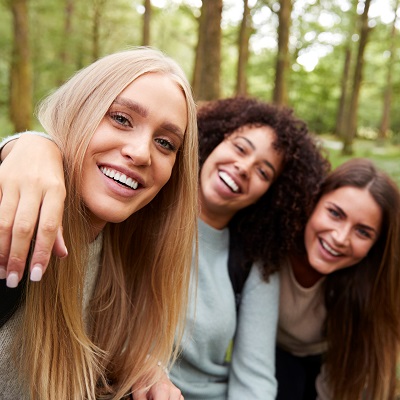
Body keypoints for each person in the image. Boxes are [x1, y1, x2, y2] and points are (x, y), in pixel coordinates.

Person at [0, 96, 329, 399]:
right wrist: (29, 144)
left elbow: (254, 378)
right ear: (213, 141)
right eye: (240, 148)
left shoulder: (251, 264)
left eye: (263, 171)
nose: (244, 168)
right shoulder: (134, 212)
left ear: (271, 194)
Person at [0, 47, 199, 400]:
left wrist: (143, 367)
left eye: (165, 143)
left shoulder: (122, 247)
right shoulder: (17, 221)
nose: (140, 152)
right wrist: (27, 143)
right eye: (121, 119)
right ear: (79, 112)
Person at [275, 158, 400, 400]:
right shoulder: (273, 244)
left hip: (327, 363)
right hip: (266, 356)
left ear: (375, 246)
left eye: (363, 232)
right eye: (335, 213)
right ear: (314, 201)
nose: (341, 238)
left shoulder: (370, 285)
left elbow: (369, 378)